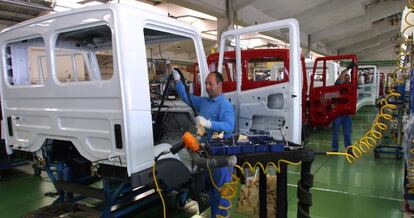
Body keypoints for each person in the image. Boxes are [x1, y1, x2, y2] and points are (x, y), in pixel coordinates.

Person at [172, 67, 235, 218]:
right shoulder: (204, 102)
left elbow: (229, 126)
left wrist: (209, 124)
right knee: (210, 191)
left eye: (210, 84)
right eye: (206, 83)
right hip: (207, 154)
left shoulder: (225, 105)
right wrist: (177, 80)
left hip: (221, 157)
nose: (207, 87)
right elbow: (187, 97)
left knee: (220, 193)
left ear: (220, 85)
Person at [331, 62, 356, 153]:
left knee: (347, 133)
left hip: (347, 113)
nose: (346, 78)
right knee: (335, 132)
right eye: (345, 77)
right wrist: (348, 68)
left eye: (348, 77)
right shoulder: (339, 85)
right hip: (338, 112)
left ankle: (349, 149)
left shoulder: (351, 86)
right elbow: (341, 75)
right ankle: (334, 148)